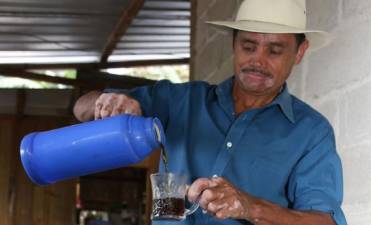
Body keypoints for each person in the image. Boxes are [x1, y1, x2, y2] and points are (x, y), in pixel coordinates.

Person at [73, 0, 347, 224]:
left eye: (275, 51)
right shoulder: (181, 100)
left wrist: (249, 206)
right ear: (233, 43)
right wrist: (109, 103)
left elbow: (324, 221)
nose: (258, 61)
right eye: (248, 46)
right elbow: (81, 108)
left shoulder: (311, 132)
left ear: (300, 52)